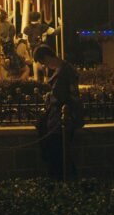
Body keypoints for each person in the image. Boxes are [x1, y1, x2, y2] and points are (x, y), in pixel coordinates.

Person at [33, 45, 82, 179]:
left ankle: (61, 182)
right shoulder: (63, 70)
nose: (45, 66)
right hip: (59, 120)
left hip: (61, 122)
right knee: (59, 155)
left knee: (59, 155)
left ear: (47, 57)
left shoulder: (63, 72)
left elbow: (64, 96)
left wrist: (50, 97)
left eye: (43, 62)